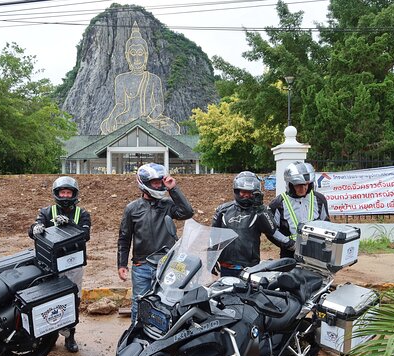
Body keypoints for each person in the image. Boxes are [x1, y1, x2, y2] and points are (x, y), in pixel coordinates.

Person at [117, 163, 194, 323]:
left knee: (167, 303)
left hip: (167, 264)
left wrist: (173, 189)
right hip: (142, 266)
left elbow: (187, 212)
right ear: (144, 183)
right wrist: (122, 264)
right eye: (155, 183)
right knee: (139, 303)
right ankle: (135, 338)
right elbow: (124, 238)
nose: (159, 185)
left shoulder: (167, 205)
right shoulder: (132, 209)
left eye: (161, 181)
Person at [28, 176, 91, 353]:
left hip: (73, 264)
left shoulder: (82, 214)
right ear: (57, 194)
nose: (65, 196)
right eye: (62, 192)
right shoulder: (47, 212)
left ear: (73, 194)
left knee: (72, 299)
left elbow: (85, 235)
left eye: (68, 192)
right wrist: (35, 229)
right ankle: (50, 336)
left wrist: (70, 224)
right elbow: (34, 229)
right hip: (51, 265)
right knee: (49, 300)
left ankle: (70, 336)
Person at [100, 22, 180, 135]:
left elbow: (159, 105)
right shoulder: (121, 79)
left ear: (146, 55)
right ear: (127, 55)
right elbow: (120, 104)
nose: (137, 58)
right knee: (106, 126)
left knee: (172, 127)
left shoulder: (153, 79)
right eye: (133, 53)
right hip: (126, 119)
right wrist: (112, 117)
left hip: (149, 120)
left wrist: (148, 118)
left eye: (140, 53)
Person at [211, 171, 282, 277]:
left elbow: (271, 229)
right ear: (237, 191)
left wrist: (260, 208)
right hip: (227, 267)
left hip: (250, 268)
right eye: (243, 192)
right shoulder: (223, 210)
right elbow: (214, 235)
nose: (246, 195)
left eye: (250, 192)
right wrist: (211, 258)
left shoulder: (260, 211)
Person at [269, 161, 329, 258]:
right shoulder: (277, 204)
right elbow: (271, 230)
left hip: (316, 251)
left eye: (306, 184)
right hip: (290, 253)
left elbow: (326, 223)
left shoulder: (319, 199)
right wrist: (289, 244)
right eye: (298, 185)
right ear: (290, 184)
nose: (303, 188)